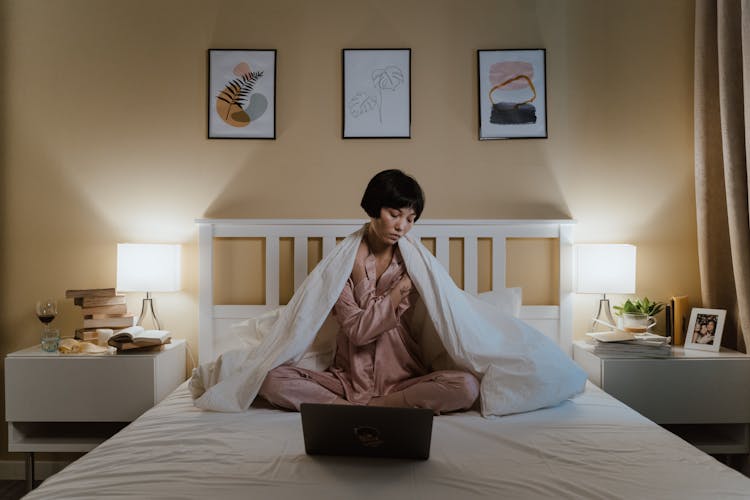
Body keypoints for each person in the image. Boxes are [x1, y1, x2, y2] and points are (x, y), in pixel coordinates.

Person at [259, 169, 480, 413]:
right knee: (270, 379)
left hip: (403, 381)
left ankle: (364, 408)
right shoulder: (341, 266)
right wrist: (386, 285)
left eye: (410, 219)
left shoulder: (414, 266)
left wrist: (405, 284)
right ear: (374, 208)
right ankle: (357, 406)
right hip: (346, 381)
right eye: (394, 214)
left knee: (467, 386)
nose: (402, 227)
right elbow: (358, 332)